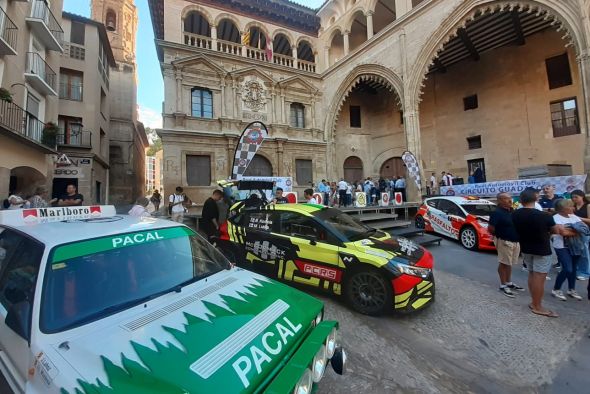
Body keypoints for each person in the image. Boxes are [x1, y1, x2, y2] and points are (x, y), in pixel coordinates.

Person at [512, 189, 563, 318]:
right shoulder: (544, 216)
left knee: (532, 274)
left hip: (526, 248)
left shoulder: (515, 214)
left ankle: (534, 302)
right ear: (535, 198)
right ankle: (537, 306)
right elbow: (555, 230)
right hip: (542, 249)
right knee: (539, 277)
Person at [550, 199, 588, 301]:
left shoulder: (573, 216)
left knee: (574, 268)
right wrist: (576, 230)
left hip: (576, 246)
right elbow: (563, 233)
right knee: (567, 268)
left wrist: (570, 228)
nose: (573, 208)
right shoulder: (555, 218)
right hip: (562, 246)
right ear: (563, 209)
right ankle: (556, 289)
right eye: (570, 206)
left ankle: (571, 289)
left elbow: (585, 229)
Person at [488, 193, 524, 297]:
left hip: (515, 241)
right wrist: (500, 236)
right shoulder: (497, 213)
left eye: (510, 198)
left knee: (509, 263)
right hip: (504, 241)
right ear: (500, 201)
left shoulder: (512, 211)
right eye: (506, 198)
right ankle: (503, 285)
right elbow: (491, 228)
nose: (510, 200)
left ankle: (509, 282)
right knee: (503, 263)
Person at [571, 189, 590, 280]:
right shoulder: (573, 206)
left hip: (585, 231)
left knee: (584, 252)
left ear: (582, 196)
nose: (574, 199)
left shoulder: (588, 206)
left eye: (576, 197)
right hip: (574, 231)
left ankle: (585, 272)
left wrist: (578, 218)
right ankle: (576, 270)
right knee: (575, 251)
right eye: (572, 197)